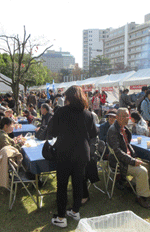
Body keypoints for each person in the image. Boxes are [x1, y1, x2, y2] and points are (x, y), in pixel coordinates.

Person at [49, 85, 98, 228]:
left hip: (64, 153)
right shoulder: (88, 114)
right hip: (82, 153)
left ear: (68, 98)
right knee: (78, 183)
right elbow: (94, 133)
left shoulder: (61, 111)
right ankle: (75, 211)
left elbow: (53, 131)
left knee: (62, 186)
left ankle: (61, 217)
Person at [107, 108, 150, 209]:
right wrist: (132, 161)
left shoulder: (124, 128)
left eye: (128, 116)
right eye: (124, 116)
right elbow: (118, 152)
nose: (127, 118)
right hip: (120, 163)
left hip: (126, 159)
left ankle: (132, 184)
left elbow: (127, 145)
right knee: (143, 171)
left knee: (149, 166)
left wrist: (134, 156)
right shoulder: (113, 130)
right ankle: (141, 197)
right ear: (117, 117)